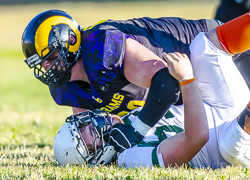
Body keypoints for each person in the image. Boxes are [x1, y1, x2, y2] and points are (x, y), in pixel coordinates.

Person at [53, 12, 250, 169]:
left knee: (202, 46)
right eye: (88, 134)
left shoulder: (123, 126)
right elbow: (196, 138)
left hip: (217, 106)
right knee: (231, 147)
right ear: (95, 158)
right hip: (225, 141)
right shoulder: (130, 158)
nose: (94, 122)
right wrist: (187, 80)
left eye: (84, 123)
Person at [21, 9, 223, 140]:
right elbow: (96, 137)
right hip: (197, 92)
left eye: (50, 56)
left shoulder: (101, 49)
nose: (47, 67)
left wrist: (137, 130)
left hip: (210, 48)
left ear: (70, 40)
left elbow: (168, 82)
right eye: (40, 63)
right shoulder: (65, 89)